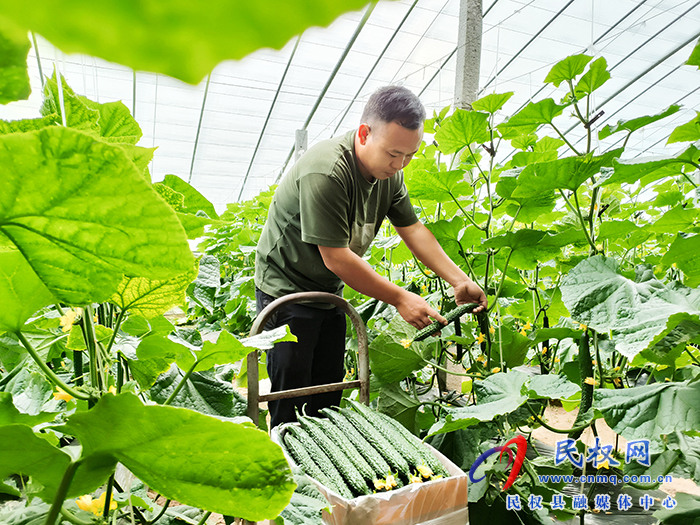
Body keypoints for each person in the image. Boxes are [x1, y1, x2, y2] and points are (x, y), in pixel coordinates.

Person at [254, 85, 487, 428]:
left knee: (327, 389)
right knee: (292, 390)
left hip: (328, 290)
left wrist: (459, 280)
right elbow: (336, 258)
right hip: (286, 287)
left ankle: (323, 468)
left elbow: (414, 230)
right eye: (394, 153)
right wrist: (399, 298)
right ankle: (290, 471)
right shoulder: (327, 172)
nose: (400, 164)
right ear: (364, 133)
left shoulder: (389, 173)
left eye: (410, 155)